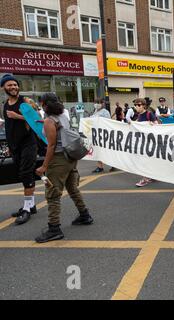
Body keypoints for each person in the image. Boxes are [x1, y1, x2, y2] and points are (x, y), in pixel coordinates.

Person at [34, 93, 93, 243]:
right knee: (73, 188)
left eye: (41, 104)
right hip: (70, 158)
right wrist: (45, 123)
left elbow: (52, 146)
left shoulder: (49, 121)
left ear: (45, 105)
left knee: (53, 194)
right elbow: (62, 132)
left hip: (58, 160)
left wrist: (44, 166)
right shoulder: (63, 117)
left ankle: (54, 229)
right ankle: (85, 215)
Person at [1, 74, 38, 225]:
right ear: (3, 87)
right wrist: (9, 146)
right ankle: (32, 205)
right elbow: (9, 128)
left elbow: (38, 120)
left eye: (15, 85)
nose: (13, 87)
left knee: (26, 174)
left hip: (28, 143)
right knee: (24, 174)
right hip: (15, 146)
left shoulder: (26, 102)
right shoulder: (5, 104)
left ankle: (27, 209)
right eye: (10, 85)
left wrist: (18, 116)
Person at [133, 98, 159, 187]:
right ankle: (149, 176)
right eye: (135, 105)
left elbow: (157, 125)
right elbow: (135, 124)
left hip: (150, 141)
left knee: (146, 160)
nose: (137, 107)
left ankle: (145, 179)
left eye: (139, 105)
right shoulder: (139, 116)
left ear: (144, 105)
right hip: (142, 141)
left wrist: (152, 124)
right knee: (144, 160)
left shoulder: (149, 113)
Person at [91, 100, 111, 173]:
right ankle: (100, 167)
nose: (96, 104)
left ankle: (114, 165)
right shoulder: (95, 111)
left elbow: (108, 122)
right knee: (98, 150)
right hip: (97, 134)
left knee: (107, 151)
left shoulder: (105, 112)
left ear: (102, 104)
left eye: (98, 103)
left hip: (103, 134)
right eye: (95, 103)